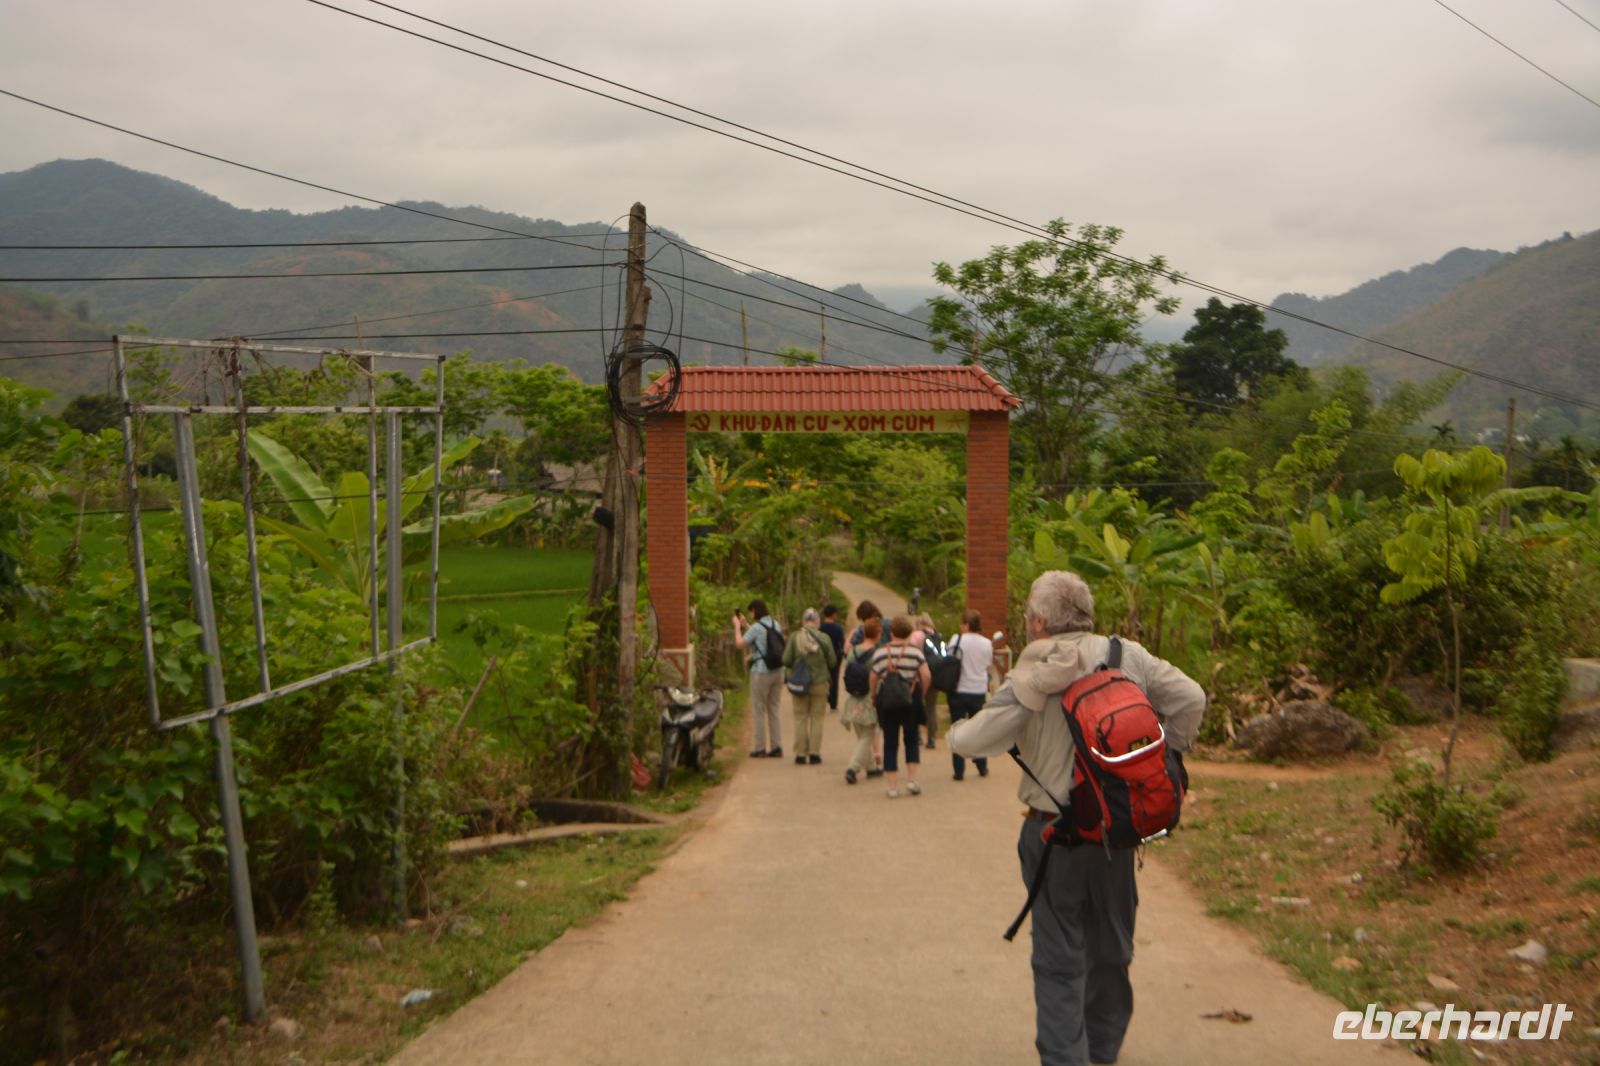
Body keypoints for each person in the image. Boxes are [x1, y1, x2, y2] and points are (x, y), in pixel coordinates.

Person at [948, 571, 1205, 1066]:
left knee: (1058, 953)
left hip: (1052, 832)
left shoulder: (1035, 667)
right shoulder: (1127, 654)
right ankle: (1104, 1046)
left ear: (1040, 621)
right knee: (1112, 945)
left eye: (1027, 615)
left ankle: (1067, 1057)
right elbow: (1191, 699)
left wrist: (956, 734)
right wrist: (1166, 757)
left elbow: (976, 738)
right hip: (1116, 828)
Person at [869, 614, 931, 799]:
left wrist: (873, 695)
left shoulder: (881, 652)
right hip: (910, 701)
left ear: (891, 631)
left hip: (887, 702)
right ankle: (912, 780)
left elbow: (873, 677)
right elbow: (926, 675)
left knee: (890, 742)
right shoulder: (915, 652)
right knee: (911, 740)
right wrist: (921, 692)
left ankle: (892, 786)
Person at [945, 609, 995, 782]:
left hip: (958, 690)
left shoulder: (956, 640)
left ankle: (959, 771)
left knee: (957, 731)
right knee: (978, 730)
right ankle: (982, 766)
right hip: (978, 690)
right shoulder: (987, 643)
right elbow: (988, 664)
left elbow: (949, 660)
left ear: (966, 625)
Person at [784, 607, 838, 765]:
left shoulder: (795, 637)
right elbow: (833, 661)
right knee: (817, 718)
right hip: (820, 682)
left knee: (800, 718)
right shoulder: (824, 638)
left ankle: (800, 754)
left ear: (803, 621)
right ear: (817, 622)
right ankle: (814, 753)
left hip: (800, 683)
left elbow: (786, 659)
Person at [733, 599, 785, 759]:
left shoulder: (756, 628)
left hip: (761, 672)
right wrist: (746, 625)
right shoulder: (776, 624)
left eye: (751, 612)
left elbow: (740, 644)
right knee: (774, 708)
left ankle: (760, 747)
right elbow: (763, 638)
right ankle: (776, 746)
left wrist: (737, 628)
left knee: (759, 709)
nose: (750, 615)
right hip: (778, 670)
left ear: (754, 611)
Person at [839, 616, 881, 785]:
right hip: (869, 698)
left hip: (853, 698)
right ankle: (853, 768)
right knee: (868, 735)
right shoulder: (877, 653)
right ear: (878, 633)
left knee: (862, 736)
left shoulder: (853, 651)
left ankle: (870, 767)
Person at [912, 612, 942, 750]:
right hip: (935, 676)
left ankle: (917, 736)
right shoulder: (937, 635)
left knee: (916, 705)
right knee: (931, 707)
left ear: (919, 623)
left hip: (919, 676)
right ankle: (931, 738)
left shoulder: (916, 635)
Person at [819, 603, 847, 711]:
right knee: (834, 679)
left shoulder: (820, 627)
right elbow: (842, 642)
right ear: (834, 615)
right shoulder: (838, 628)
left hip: (822, 656)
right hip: (835, 656)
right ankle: (833, 702)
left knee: (823, 678)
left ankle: (822, 699)